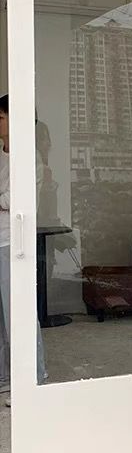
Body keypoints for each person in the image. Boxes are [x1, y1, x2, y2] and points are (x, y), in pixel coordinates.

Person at [0, 94, 48, 407]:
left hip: (13, 243)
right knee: (2, 316)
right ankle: (7, 378)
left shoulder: (30, 159)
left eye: (1, 117)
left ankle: (33, 379)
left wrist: (4, 200)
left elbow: (14, 200)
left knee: (19, 313)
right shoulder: (2, 155)